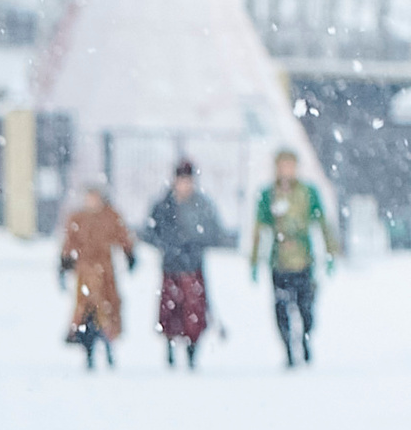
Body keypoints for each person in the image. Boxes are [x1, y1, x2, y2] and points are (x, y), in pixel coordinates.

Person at [249, 145, 341, 366]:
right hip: (279, 261)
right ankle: (288, 348)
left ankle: (305, 339)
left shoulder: (308, 193)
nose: (286, 171)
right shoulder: (268, 194)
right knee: (281, 309)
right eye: (283, 166)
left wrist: (330, 253)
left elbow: (322, 224)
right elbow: (259, 228)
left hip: (303, 260)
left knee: (305, 308)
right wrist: (254, 260)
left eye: (290, 166)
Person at [141, 158, 232, 369]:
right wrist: (167, 244)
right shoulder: (163, 205)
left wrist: (193, 243)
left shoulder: (202, 205)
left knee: (194, 312)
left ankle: (192, 350)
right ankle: (171, 345)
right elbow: (150, 232)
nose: (184, 184)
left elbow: (214, 232)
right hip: (170, 265)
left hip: (193, 265)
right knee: (170, 310)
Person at [57, 179, 137, 369]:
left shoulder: (110, 216)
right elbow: (69, 243)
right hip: (84, 273)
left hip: (105, 274)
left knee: (107, 313)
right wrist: (65, 262)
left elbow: (123, 236)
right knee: (86, 315)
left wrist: (129, 254)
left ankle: (109, 348)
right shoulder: (77, 218)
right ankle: (89, 352)